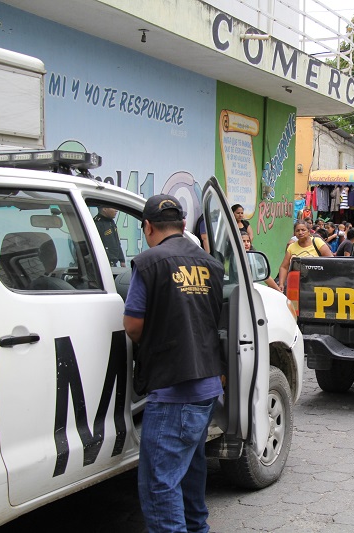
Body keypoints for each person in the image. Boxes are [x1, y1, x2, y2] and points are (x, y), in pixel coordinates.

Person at [122, 194, 225, 532]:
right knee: (190, 477)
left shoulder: (149, 262)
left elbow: (133, 325)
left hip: (173, 393)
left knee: (159, 485)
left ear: (148, 226)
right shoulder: (211, 264)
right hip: (207, 387)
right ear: (183, 225)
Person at [278, 221, 333, 292]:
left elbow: (331, 262)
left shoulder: (317, 242)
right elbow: (284, 267)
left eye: (303, 230)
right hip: (297, 286)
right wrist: (281, 284)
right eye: (297, 231)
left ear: (309, 231)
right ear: (294, 233)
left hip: (317, 286)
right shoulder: (291, 247)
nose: (300, 233)